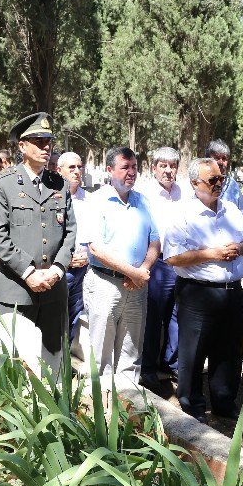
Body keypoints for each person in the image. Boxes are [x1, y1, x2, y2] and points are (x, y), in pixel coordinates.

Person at [163, 158, 243, 423]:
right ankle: (192, 404)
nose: (219, 184)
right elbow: (173, 257)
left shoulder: (231, 210)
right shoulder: (182, 214)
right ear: (194, 183)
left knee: (228, 351)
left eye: (221, 178)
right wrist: (212, 254)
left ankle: (224, 402)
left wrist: (241, 248)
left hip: (231, 291)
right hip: (197, 292)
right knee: (194, 351)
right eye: (212, 180)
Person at [0, 112, 76, 369]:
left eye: (49, 141)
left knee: (53, 364)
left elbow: (70, 232)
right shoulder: (1, 183)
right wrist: (28, 273)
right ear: (22, 146)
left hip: (54, 289)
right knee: (13, 364)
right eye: (38, 141)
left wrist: (58, 270)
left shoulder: (59, 184)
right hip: (17, 289)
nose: (46, 147)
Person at [81, 147, 159, 381]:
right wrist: (134, 272)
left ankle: (128, 410)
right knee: (101, 355)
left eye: (134, 167)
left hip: (136, 287)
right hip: (105, 285)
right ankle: (100, 410)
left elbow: (154, 241)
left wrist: (143, 270)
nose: (131, 172)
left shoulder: (142, 201)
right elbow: (95, 248)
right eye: (125, 167)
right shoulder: (96, 201)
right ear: (109, 170)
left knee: (131, 353)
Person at [137, 146, 184, 388]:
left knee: (177, 315)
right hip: (156, 261)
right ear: (153, 168)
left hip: (181, 262)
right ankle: (148, 367)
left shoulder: (183, 193)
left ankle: (172, 363)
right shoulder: (143, 194)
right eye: (163, 165)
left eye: (172, 166)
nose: (168, 170)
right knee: (154, 315)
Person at [57, 151, 90, 343]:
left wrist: (87, 257)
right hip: (59, 269)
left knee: (74, 316)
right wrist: (65, 259)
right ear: (59, 170)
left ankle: (66, 364)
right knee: (55, 318)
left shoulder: (90, 199)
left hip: (83, 269)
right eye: (71, 167)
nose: (77, 171)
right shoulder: (50, 197)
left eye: (79, 167)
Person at [204, 139, 243, 214]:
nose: (221, 162)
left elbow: (242, 214)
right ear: (206, 160)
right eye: (216, 158)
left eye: (224, 159)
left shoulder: (232, 184)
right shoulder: (198, 182)